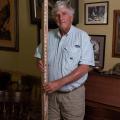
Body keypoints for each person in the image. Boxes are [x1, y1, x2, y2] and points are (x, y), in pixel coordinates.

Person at [35, 1, 95, 120]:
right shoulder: (48, 36)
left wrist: (59, 83)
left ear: (71, 16)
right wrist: (39, 62)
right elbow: (38, 55)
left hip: (72, 96)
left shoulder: (82, 36)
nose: (60, 17)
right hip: (50, 94)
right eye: (57, 15)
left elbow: (84, 68)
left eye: (64, 13)